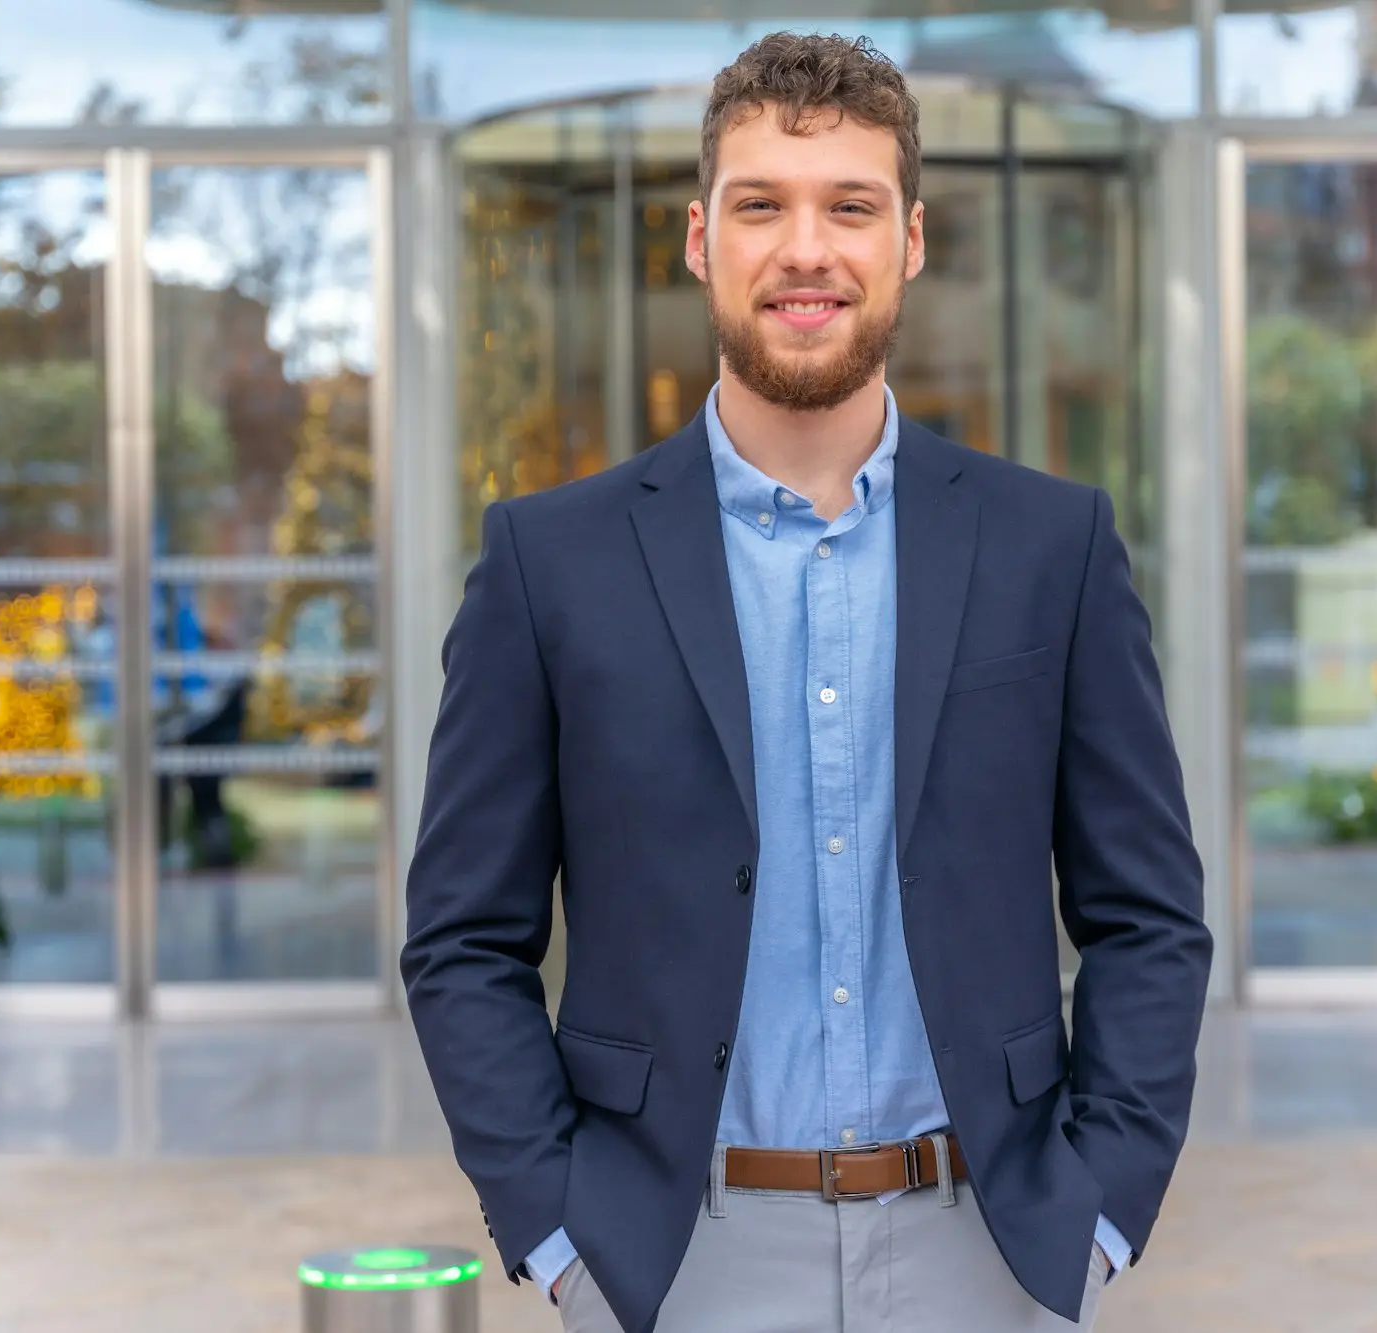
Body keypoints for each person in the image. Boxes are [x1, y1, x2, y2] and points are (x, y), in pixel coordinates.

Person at [402, 31, 1212, 1333]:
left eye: (851, 206)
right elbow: (462, 939)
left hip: (989, 1251)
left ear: (912, 240)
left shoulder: (1051, 547)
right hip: (673, 1257)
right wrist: (558, 1234)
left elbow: (1150, 914)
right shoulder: (547, 563)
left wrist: (1100, 1210)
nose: (806, 250)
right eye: (761, 205)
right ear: (696, 239)